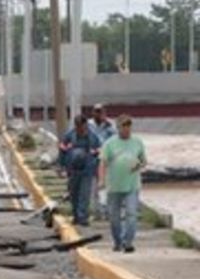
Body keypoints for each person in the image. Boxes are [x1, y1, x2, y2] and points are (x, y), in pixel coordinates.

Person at [100, 115, 148, 253]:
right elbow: (102, 163)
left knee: (131, 214)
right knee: (114, 218)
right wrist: (102, 180)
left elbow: (144, 161)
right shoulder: (109, 144)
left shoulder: (137, 142)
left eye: (129, 127)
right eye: (123, 127)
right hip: (114, 186)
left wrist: (138, 165)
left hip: (132, 186)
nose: (127, 130)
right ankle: (117, 241)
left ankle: (128, 242)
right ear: (118, 128)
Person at [58, 114, 102, 226]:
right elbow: (62, 149)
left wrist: (96, 163)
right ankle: (76, 216)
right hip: (72, 170)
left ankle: (82, 218)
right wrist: (62, 166)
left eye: (82, 127)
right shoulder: (69, 136)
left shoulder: (93, 137)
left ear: (85, 125)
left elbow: (100, 151)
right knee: (74, 194)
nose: (80, 130)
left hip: (87, 170)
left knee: (84, 194)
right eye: (78, 127)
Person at [88, 104, 117, 219]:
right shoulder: (88, 126)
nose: (99, 114)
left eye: (101, 112)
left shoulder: (110, 126)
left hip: (107, 161)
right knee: (94, 187)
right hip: (92, 160)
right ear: (93, 113)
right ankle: (96, 212)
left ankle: (109, 211)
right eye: (97, 112)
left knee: (108, 187)